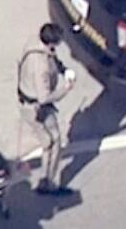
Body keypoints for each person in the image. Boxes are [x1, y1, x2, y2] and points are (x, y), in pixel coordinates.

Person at [17, 23, 77, 196]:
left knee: (47, 141)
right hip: (37, 108)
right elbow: (44, 98)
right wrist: (66, 88)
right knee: (54, 141)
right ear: (52, 43)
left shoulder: (33, 43)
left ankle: (46, 178)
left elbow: (53, 58)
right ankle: (48, 182)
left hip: (26, 101)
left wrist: (62, 69)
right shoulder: (42, 66)